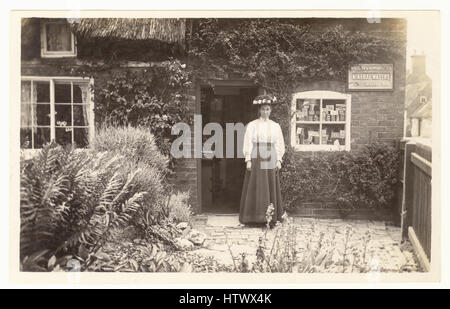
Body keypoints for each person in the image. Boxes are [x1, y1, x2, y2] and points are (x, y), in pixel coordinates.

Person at [239, 94, 285, 226]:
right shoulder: (253, 125)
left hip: (271, 156)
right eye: (263, 109)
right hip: (257, 156)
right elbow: (248, 142)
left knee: (269, 185)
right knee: (256, 185)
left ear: (271, 111)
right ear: (259, 110)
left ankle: (270, 218)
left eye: (268, 109)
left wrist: (279, 160)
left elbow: (279, 144)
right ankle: (253, 218)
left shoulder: (276, 126)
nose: (266, 112)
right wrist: (248, 159)